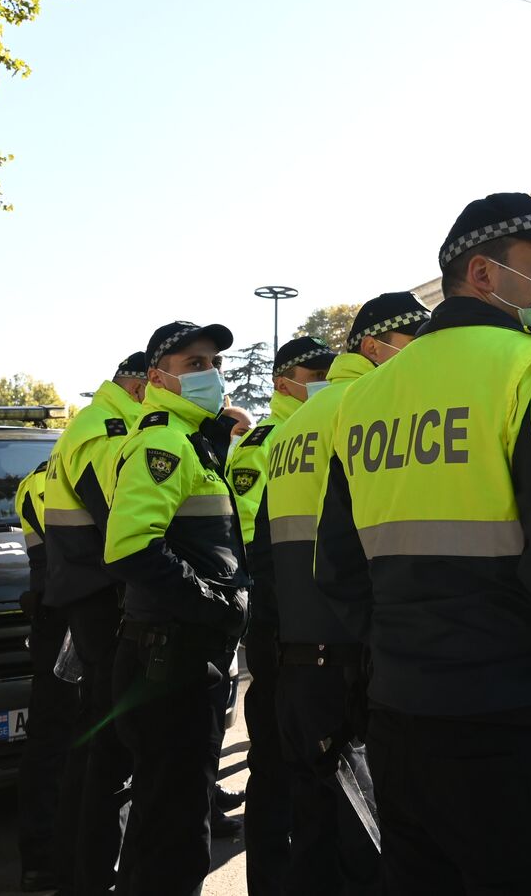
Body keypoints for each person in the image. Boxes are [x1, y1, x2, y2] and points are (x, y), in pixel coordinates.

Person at [318, 192, 531, 893]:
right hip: (521, 734)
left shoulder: (364, 400)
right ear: (483, 275)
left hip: (403, 727)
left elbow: (339, 573)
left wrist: (402, 660)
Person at [255, 291, 428, 894]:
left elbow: (264, 557)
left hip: (299, 665)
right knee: (369, 853)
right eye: (415, 340)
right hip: (357, 668)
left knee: (313, 839)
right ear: (374, 347)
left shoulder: (289, 430)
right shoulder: (373, 409)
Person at [104, 321, 248, 895]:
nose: (211, 374)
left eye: (214, 363)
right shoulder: (164, 441)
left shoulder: (192, 441)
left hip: (178, 653)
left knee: (161, 818)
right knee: (177, 828)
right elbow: (131, 546)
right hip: (173, 657)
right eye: (195, 363)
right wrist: (214, 604)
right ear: (159, 375)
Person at [225, 335, 336, 893]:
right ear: (283, 380)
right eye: (314, 371)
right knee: (276, 767)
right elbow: (251, 540)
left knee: (305, 774)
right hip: (278, 622)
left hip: (304, 624)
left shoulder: (328, 423)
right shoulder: (266, 441)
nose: (323, 378)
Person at [42, 352, 147, 895]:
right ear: (136, 383)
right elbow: (118, 520)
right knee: (105, 744)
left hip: (90, 594)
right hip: (102, 598)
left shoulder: (96, 422)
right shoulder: (106, 428)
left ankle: (77, 869)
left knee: (96, 738)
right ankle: (86, 873)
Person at [13, 458, 74, 894]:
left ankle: (41, 859)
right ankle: (67, 855)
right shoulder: (91, 461)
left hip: (51, 617)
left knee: (48, 743)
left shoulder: (33, 480)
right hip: (81, 619)